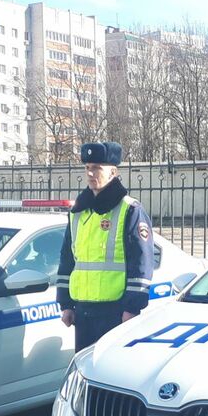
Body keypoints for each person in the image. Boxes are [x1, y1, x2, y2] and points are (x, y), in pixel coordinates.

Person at [56, 142, 156, 351]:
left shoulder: (129, 209)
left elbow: (141, 262)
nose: (91, 173)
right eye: (87, 168)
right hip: (82, 312)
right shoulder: (78, 212)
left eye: (97, 168)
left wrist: (131, 308)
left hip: (115, 312)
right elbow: (68, 259)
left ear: (113, 172)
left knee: (111, 373)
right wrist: (65, 304)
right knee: (85, 371)